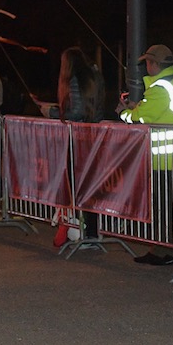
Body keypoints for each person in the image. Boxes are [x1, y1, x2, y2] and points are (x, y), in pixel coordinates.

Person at [119, 43, 173, 266]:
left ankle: (165, 251)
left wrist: (124, 112)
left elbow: (141, 118)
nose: (146, 67)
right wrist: (138, 107)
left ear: (154, 64)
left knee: (164, 207)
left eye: (147, 63)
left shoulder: (160, 87)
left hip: (166, 159)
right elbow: (160, 112)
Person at [53, 47, 106, 247]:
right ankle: (91, 232)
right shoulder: (95, 77)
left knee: (75, 185)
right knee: (89, 185)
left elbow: (75, 112)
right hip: (93, 137)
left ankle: (79, 230)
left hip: (77, 138)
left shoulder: (74, 80)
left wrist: (54, 113)